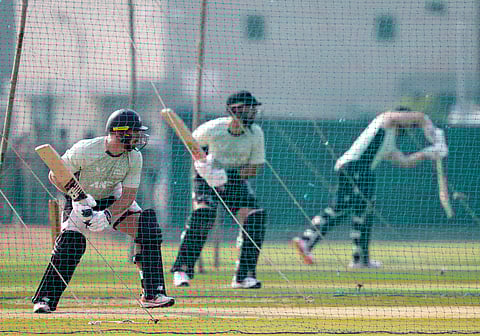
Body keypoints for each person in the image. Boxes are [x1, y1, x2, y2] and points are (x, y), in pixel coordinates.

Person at [32, 109, 175, 313]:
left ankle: (152, 294)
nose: (138, 138)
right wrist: (77, 198)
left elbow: (128, 196)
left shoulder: (134, 157)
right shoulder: (85, 149)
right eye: (135, 133)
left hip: (112, 198)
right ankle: (45, 299)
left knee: (148, 227)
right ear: (120, 132)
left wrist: (107, 215)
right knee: (71, 244)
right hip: (79, 199)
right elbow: (55, 175)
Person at [292, 107, 448, 268]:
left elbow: (404, 161)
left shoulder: (389, 141)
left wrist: (429, 153)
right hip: (356, 167)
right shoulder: (385, 120)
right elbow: (413, 117)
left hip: (360, 170)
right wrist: (430, 128)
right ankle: (307, 239)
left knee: (361, 212)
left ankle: (359, 258)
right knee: (343, 208)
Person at [170, 91, 267, 289]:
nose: (254, 112)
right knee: (204, 214)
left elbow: (255, 168)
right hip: (206, 179)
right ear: (236, 110)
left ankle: (243, 276)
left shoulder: (256, 133)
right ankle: (182, 270)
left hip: (234, 181)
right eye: (250, 108)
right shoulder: (213, 128)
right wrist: (205, 166)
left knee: (255, 217)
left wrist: (228, 176)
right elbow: (192, 146)